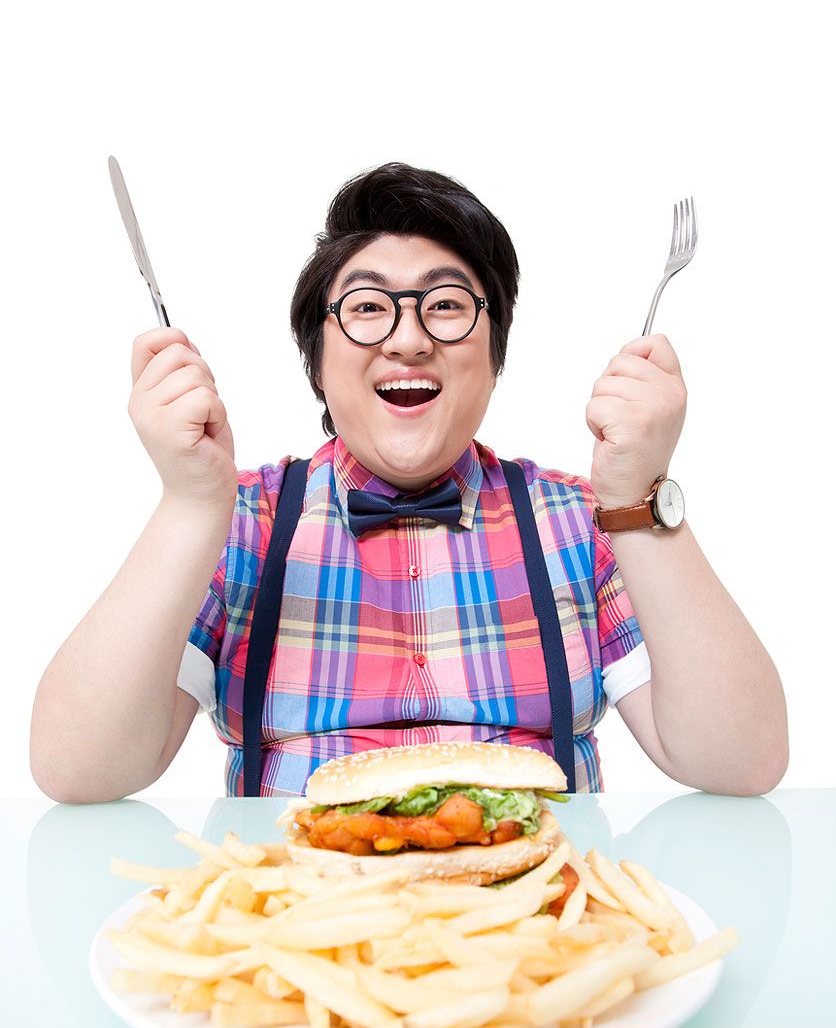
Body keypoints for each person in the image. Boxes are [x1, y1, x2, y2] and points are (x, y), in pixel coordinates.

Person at [30, 162, 788, 803]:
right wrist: (191, 503)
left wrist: (639, 493)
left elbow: (739, 762)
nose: (408, 337)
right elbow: (79, 768)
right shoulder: (243, 518)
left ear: (494, 356)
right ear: (317, 363)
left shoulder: (582, 519)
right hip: (302, 931)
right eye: (366, 308)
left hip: (536, 939)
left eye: (447, 305)